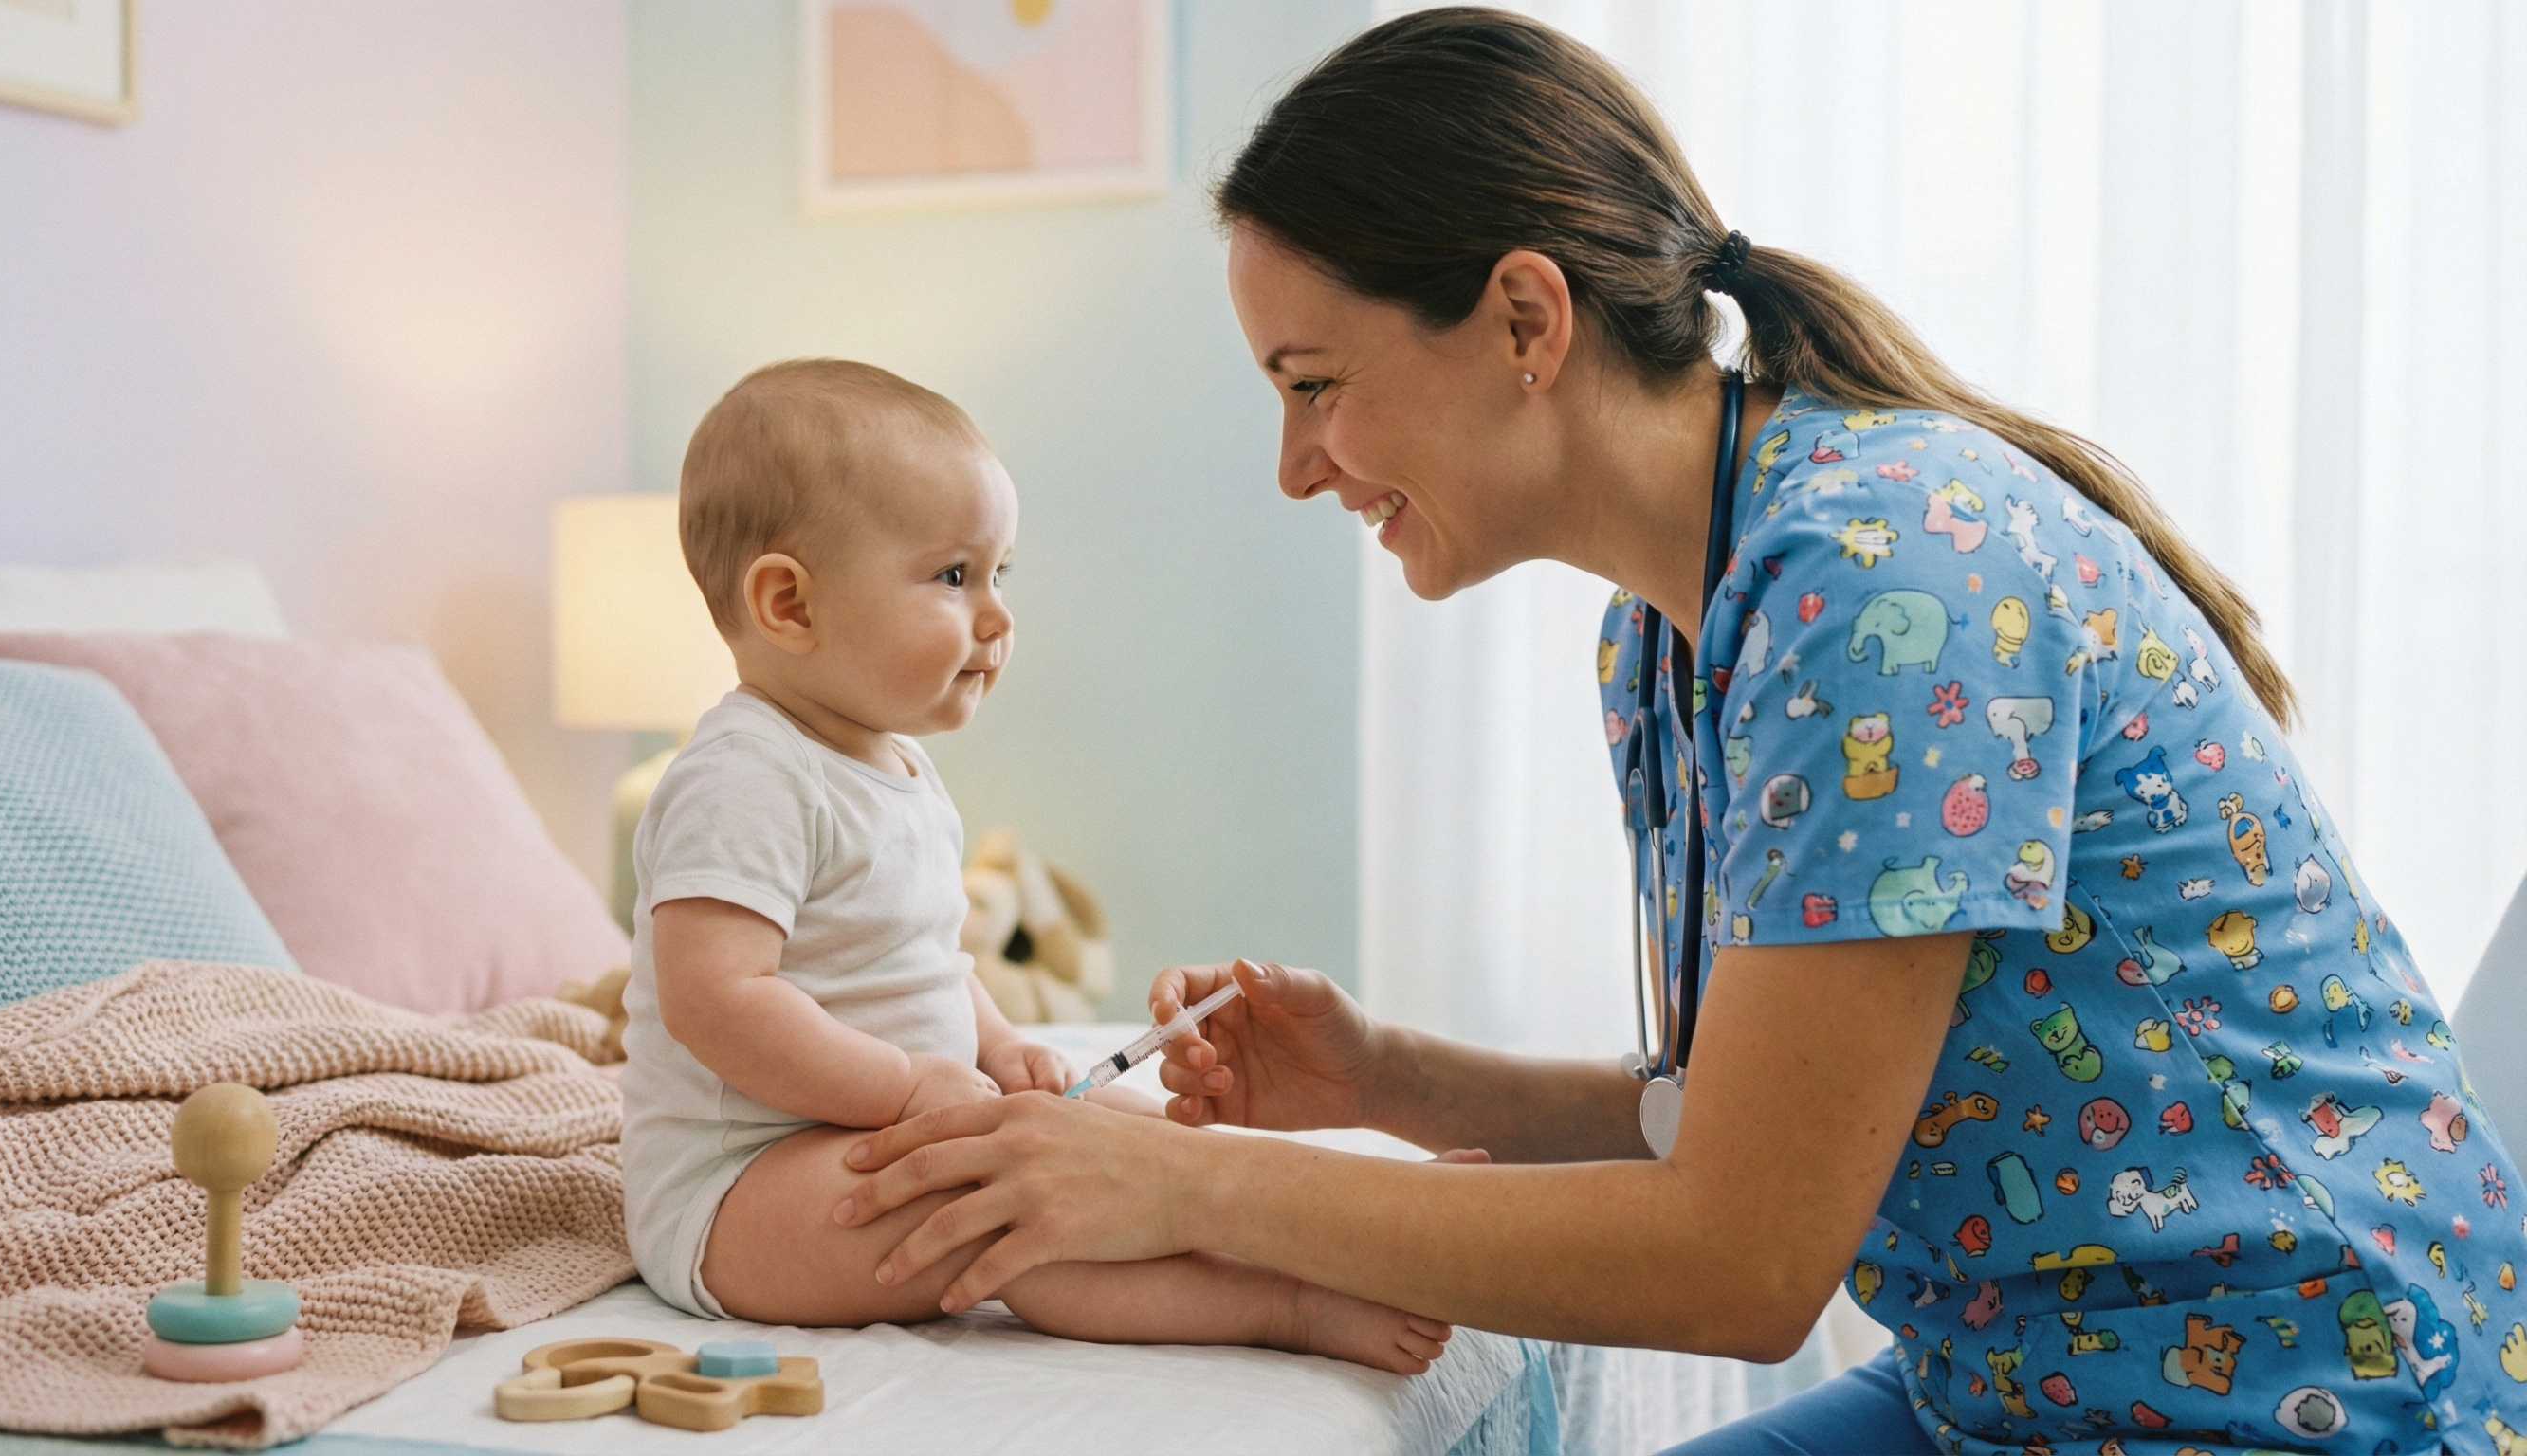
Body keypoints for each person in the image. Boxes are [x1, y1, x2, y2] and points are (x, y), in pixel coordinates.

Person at [829, 12, 2527, 1453]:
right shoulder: (1671, 632)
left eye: (1313, 382)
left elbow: (1737, 1257)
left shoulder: (1879, 587)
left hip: (2319, 1397)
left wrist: (1171, 1189)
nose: (1295, 465)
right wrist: (1387, 1079)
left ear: (1522, 321)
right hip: (2025, 1386)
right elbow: (1730, 1122)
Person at [617, 357, 1452, 1374]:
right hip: (742, 1186)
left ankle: (1340, 1223)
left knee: (1128, 1140)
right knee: (1008, 1207)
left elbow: (926, 960)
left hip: (901, 1114)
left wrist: (1001, 1049)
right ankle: (1286, 1301)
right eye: (952, 576)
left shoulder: (897, 766)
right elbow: (718, 1000)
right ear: (790, 605)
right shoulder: (740, 778)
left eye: (998, 575)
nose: (997, 615)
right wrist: (908, 1088)